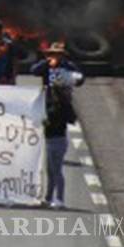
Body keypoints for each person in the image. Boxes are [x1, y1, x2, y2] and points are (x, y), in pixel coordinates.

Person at [42, 73, 77, 208]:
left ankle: (60, 199)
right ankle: (48, 197)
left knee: (56, 170)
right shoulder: (52, 101)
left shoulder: (63, 104)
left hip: (58, 140)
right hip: (50, 139)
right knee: (50, 171)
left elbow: (71, 119)